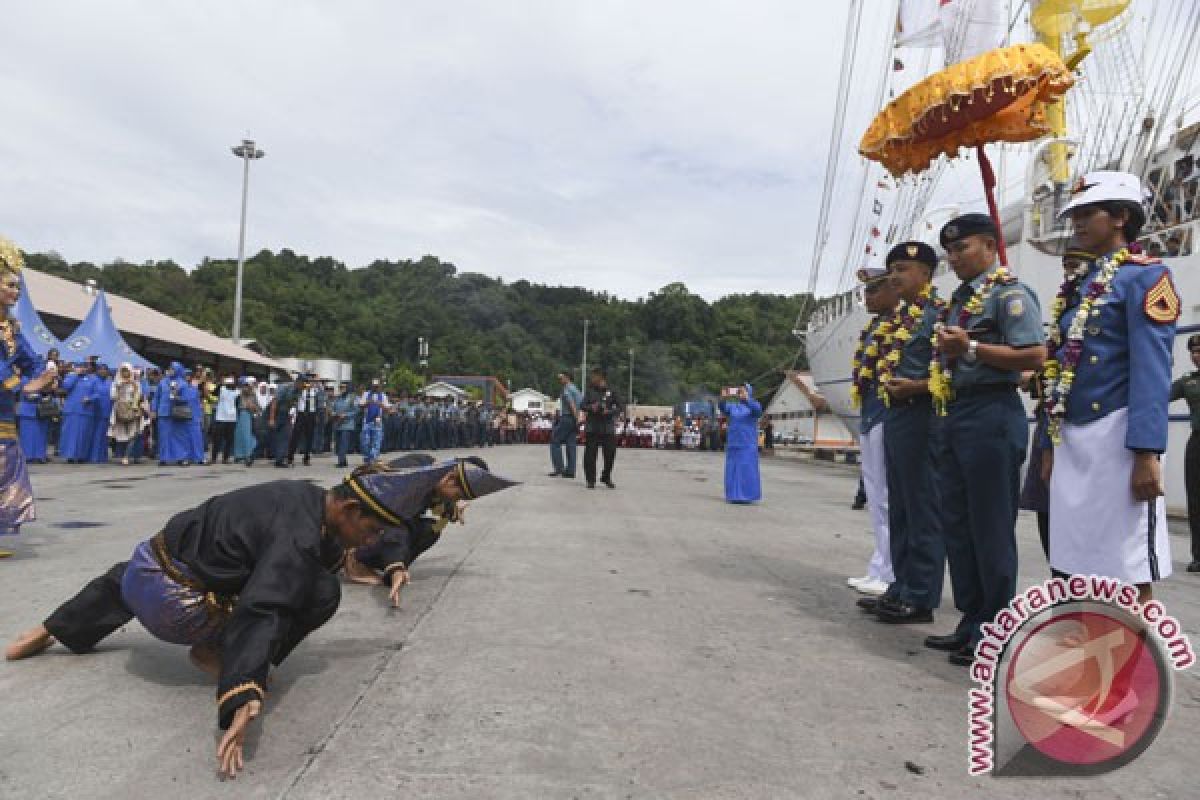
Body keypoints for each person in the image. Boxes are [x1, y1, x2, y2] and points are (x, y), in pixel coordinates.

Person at [4, 465, 425, 778]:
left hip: (139, 570)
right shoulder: (297, 538)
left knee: (153, 566)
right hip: (179, 609)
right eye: (369, 531)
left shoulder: (302, 494)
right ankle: (214, 651)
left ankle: (52, 628)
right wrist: (242, 693)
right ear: (349, 509)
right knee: (318, 592)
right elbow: (264, 608)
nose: (369, 542)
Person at [1042, 171, 1178, 600]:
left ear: (1120, 216)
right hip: (1073, 436)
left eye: (1088, 212)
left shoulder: (1146, 277)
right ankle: (1081, 657)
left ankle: (1136, 661)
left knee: (1126, 562)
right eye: (1075, 214)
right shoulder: (1079, 284)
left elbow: (1152, 370)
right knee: (1071, 558)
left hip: (1116, 436)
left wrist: (1146, 453)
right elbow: (1059, 369)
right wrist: (1048, 445)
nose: (1078, 222)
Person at [925, 214, 1045, 666]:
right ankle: (970, 620)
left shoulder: (1010, 295)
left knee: (991, 527)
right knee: (958, 524)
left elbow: (1034, 354)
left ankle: (993, 631)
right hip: (956, 411)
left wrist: (971, 349)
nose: (954, 258)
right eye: (950, 252)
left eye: (963, 249)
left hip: (992, 412)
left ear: (990, 247)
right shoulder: (958, 301)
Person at [343, 457, 520, 602]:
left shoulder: (434, 474)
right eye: (458, 495)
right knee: (402, 533)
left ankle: (383, 561)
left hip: (380, 525)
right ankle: (354, 558)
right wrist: (394, 566)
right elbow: (395, 528)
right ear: (450, 478)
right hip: (350, 527)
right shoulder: (411, 477)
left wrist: (450, 510)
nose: (455, 499)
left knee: (431, 529)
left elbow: (437, 500)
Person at [846, 266, 899, 597]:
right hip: (870, 415)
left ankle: (890, 569)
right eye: (866, 292)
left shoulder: (899, 325)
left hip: (887, 415)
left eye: (874, 290)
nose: (868, 297)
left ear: (893, 291)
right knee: (876, 498)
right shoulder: (875, 327)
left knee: (889, 499)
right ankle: (880, 564)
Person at [0, 239, 54, 555]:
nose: (16, 292)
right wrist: (25, 386)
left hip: (5, 416)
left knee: (7, 473)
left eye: (17, 287)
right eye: (10, 285)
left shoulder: (12, 328)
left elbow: (29, 360)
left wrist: (45, 372)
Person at [1170, 334, 1200, 573]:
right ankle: (1198, 555)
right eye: (1193, 351)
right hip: (1197, 443)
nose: (1196, 355)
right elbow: (1160, 394)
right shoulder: (1187, 381)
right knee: (1196, 500)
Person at [718, 384, 763, 503]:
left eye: (743, 391)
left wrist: (747, 399)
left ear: (749, 392)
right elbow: (723, 407)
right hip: (733, 444)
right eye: (739, 392)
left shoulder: (753, 405)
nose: (740, 394)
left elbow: (758, 411)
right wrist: (723, 398)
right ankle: (733, 496)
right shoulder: (733, 407)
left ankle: (748, 496)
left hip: (747, 444)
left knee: (746, 469)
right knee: (733, 470)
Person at [582, 368, 622, 489]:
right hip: (592, 426)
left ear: (601, 377)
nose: (592, 378)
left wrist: (609, 411)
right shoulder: (590, 391)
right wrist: (591, 407)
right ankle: (590, 480)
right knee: (590, 455)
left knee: (610, 453)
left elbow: (621, 407)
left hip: (607, 426)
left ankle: (606, 476)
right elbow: (582, 405)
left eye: (594, 376)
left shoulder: (612, 391)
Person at [156, 362, 196, 466]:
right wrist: (153, 410)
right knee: (164, 436)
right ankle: (163, 458)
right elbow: (157, 397)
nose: (171, 371)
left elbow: (187, 399)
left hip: (178, 413)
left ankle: (182, 458)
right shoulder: (162, 382)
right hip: (164, 413)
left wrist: (177, 397)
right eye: (170, 368)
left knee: (179, 436)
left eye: (173, 369)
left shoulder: (183, 383)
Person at [18, 362, 57, 464]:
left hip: (42, 411)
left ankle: (40, 456)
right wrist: (40, 395)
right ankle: (27, 456)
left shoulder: (45, 379)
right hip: (28, 411)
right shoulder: (25, 379)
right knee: (28, 435)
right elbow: (27, 394)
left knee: (41, 434)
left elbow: (49, 391)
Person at [59, 362, 96, 464]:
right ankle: (69, 456)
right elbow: (66, 386)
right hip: (71, 410)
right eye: (79, 366)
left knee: (83, 435)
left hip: (85, 411)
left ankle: (81, 456)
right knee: (70, 434)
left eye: (84, 366)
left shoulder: (92, 379)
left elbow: (97, 393)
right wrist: (75, 375)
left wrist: (90, 398)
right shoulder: (70, 377)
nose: (82, 369)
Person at [549, 371, 583, 479]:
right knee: (571, 444)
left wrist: (576, 418)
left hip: (568, 417)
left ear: (567, 378)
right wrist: (578, 419)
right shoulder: (577, 390)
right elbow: (581, 404)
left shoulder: (567, 389)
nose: (560, 380)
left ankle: (559, 468)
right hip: (574, 418)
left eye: (561, 378)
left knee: (555, 441)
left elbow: (571, 403)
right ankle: (570, 471)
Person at [109, 363, 143, 466]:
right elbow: (112, 396)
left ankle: (126, 456)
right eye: (123, 370)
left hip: (133, 409)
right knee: (121, 435)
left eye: (127, 370)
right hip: (120, 410)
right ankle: (121, 454)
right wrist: (120, 386)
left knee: (133, 435)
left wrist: (135, 405)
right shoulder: (116, 383)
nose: (125, 373)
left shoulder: (136, 383)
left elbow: (139, 396)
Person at [268, 374, 297, 468]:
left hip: (285, 415)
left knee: (285, 436)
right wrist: (272, 418)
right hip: (276, 414)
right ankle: (251, 457)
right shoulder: (284, 388)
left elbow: (292, 404)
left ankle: (279, 460)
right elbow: (274, 402)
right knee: (267, 437)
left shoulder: (297, 391)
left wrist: (290, 414)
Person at [359, 380, 390, 465]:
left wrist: (381, 405)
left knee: (376, 441)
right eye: (374, 386)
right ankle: (367, 457)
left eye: (377, 386)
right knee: (365, 441)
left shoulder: (383, 396)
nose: (375, 388)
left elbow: (387, 409)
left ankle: (373, 458)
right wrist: (367, 403)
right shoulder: (366, 394)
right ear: (371, 386)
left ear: (379, 386)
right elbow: (360, 406)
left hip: (377, 421)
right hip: (367, 421)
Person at [88, 363, 113, 464]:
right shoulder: (93, 381)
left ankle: (102, 456)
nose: (103, 371)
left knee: (104, 436)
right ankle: (93, 457)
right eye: (101, 369)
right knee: (94, 435)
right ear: (97, 371)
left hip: (107, 412)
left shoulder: (110, 383)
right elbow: (88, 394)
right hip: (94, 412)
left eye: (105, 369)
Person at [211, 375, 238, 465]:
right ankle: (213, 458)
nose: (230, 385)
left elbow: (238, 403)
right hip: (221, 418)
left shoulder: (237, 391)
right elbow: (214, 393)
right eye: (228, 383)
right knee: (217, 439)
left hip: (231, 418)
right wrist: (220, 384)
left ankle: (225, 458)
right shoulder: (221, 389)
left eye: (231, 383)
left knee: (229, 440)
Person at [332, 381, 359, 468]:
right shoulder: (338, 398)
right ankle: (343, 460)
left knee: (343, 444)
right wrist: (334, 414)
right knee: (338, 443)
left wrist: (346, 415)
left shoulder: (352, 398)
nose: (342, 389)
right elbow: (333, 408)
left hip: (347, 424)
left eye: (343, 387)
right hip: (338, 424)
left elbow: (356, 410)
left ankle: (341, 461)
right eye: (340, 387)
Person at [232, 379, 259, 466]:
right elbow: (244, 394)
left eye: (249, 385)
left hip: (251, 415)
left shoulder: (253, 394)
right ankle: (242, 455)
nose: (247, 387)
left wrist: (254, 408)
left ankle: (247, 454)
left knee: (249, 435)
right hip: (243, 413)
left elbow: (257, 406)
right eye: (246, 385)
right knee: (242, 435)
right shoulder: (241, 393)